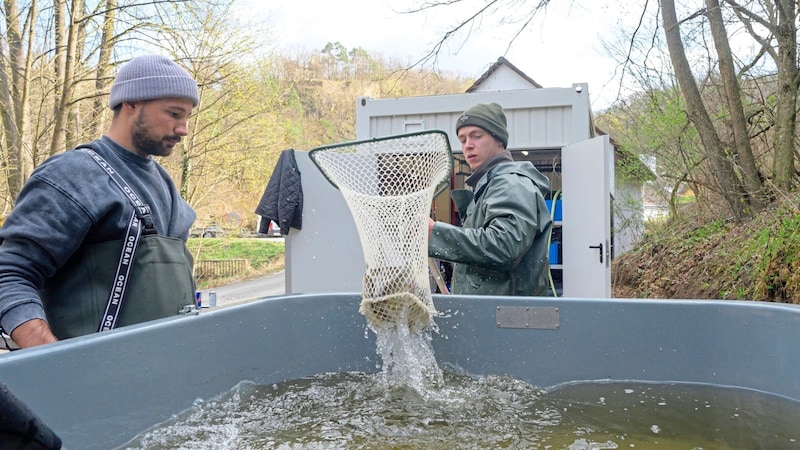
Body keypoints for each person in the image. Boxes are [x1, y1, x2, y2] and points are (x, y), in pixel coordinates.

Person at [0, 54, 199, 349]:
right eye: (173, 114)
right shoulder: (72, 176)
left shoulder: (168, 188)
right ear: (131, 103)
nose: (183, 129)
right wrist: (48, 355)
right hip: (84, 383)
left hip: (164, 373)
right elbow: (10, 272)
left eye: (186, 118)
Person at [428, 102, 553, 296]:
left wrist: (435, 234)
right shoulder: (488, 187)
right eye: (462, 139)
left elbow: (505, 245)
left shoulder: (510, 184)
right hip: (488, 315)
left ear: (499, 141)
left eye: (476, 136)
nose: (468, 145)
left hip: (506, 319)